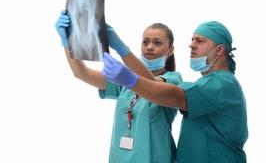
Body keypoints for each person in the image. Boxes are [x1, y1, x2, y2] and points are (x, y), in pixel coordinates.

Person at [102, 21, 248, 163]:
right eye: (192, 40)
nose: (191, 45)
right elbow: (157, 86)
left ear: (220, 49)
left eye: (200, 41)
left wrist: (130, 75)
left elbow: (171, 95)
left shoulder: (221, 84)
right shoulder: (207, 84)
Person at [55, 10, 182, 163]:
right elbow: (82, 73)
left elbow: (152, 86)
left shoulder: (173, 79)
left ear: (170, 50)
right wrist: (67, 41)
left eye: (157, 42)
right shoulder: (125, 78)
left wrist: (121, 49)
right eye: (145, 41)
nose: (149, 47)